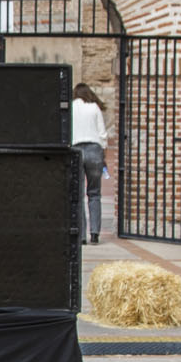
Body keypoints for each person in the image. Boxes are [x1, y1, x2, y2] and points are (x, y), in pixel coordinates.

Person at [71, 84, 109, 243]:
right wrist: (103, 153)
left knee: (77, 195)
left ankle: (81, 235)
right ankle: (94, 233)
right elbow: (102, 134)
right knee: (94, 193)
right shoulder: (94, 108)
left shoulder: (72, 106)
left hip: (76, 149)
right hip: (94, 150)